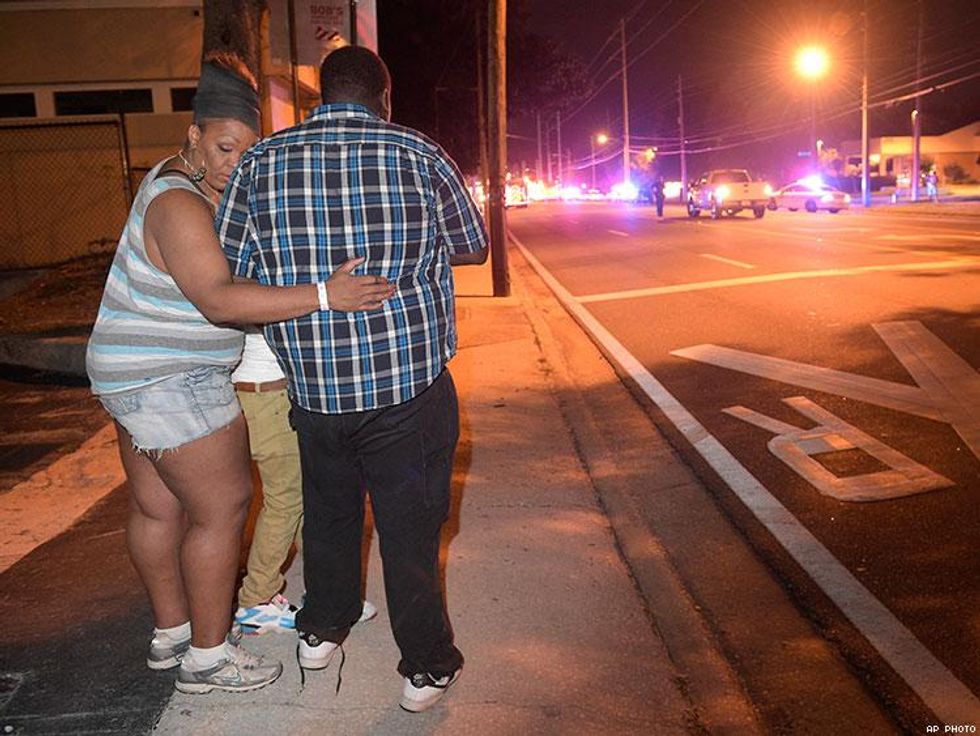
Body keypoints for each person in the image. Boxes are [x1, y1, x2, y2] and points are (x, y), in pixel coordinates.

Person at [85, 60, 394, 695]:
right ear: (194, 135)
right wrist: (324, 295)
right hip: (174, 375)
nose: (235, 162)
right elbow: (220, 299)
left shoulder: (176, 186)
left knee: (158, 506)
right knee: (223, 510)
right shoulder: (179, 201)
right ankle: (208, 656)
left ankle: (171, 633)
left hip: (125, 370)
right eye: (225, 147)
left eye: (247, 150)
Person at [217, 46, 488, 712]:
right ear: (384, 97)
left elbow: (230, 267)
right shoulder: (420, 154)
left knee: (331, 514)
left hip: (313, 389)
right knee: (410, 528)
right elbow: (475, 244)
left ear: (319, 97)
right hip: (407, 389)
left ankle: (321, 627)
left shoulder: (260, 162)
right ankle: (425, 665)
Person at [231, 330, 379, 634]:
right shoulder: (262, 282)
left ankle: (328, 596)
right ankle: (256, 599)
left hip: (264, 392)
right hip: (267, 392)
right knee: (286, 500)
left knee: (301, 497)